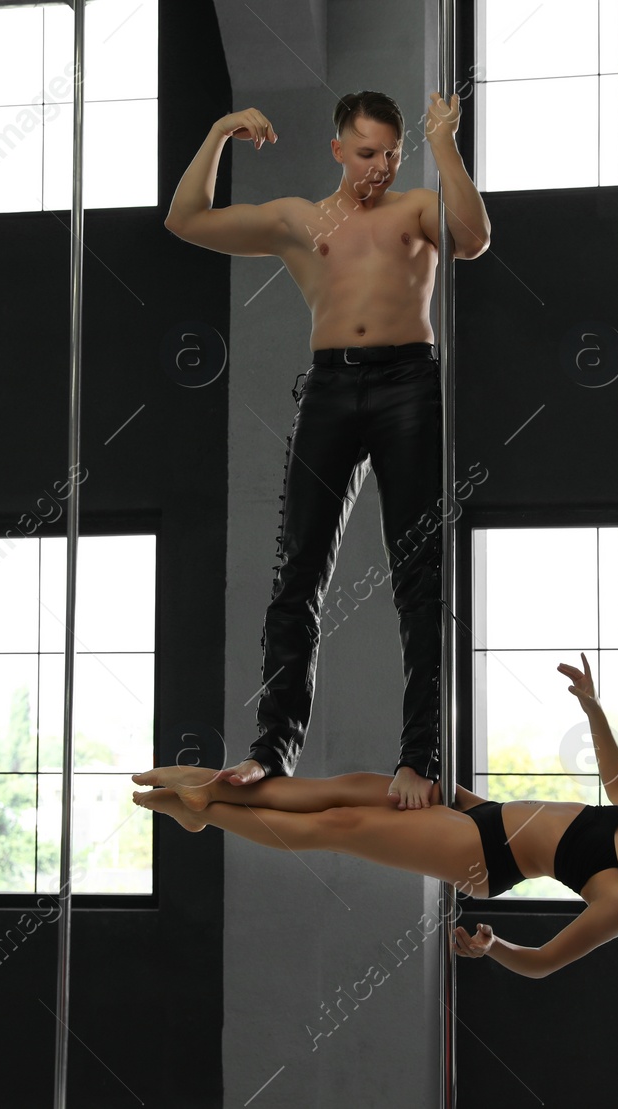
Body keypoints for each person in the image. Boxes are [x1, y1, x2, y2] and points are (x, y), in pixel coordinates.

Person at [162, 90, 491, 811]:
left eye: (389, 156)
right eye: (365, 154)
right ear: (338, 150)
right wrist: (218, 130)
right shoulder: (299, 220)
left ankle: (419, 760)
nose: (377, 169)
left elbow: (473, 237)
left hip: (410, 384)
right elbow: (185, 219)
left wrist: (442, 146)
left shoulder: (413, 211)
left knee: (420, 578)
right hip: (329, 389)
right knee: (296, 575)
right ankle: (271, 751)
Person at [132, 655, 618, 977]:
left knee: (340, 824)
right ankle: (206, 801)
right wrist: (594, 708)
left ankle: (210, 807)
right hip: (480, 812)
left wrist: (491, 947)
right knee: (349, 788)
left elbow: (542, 962)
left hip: (479, 857)